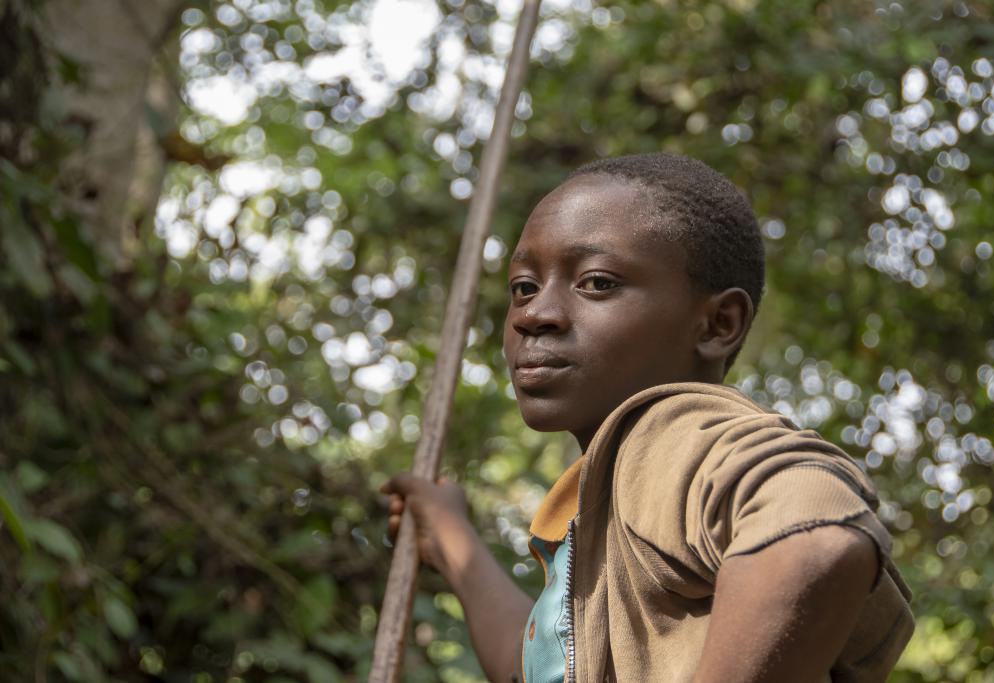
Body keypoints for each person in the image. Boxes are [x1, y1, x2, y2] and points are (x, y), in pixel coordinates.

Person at [382, 153, 913, 682]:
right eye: (523, 287)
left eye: (596, 282)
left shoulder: (666, 432)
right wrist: (452, 540)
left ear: (717, 324)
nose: (533, 315)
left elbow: (818, 534)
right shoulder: (616, 502)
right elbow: (542, 672)